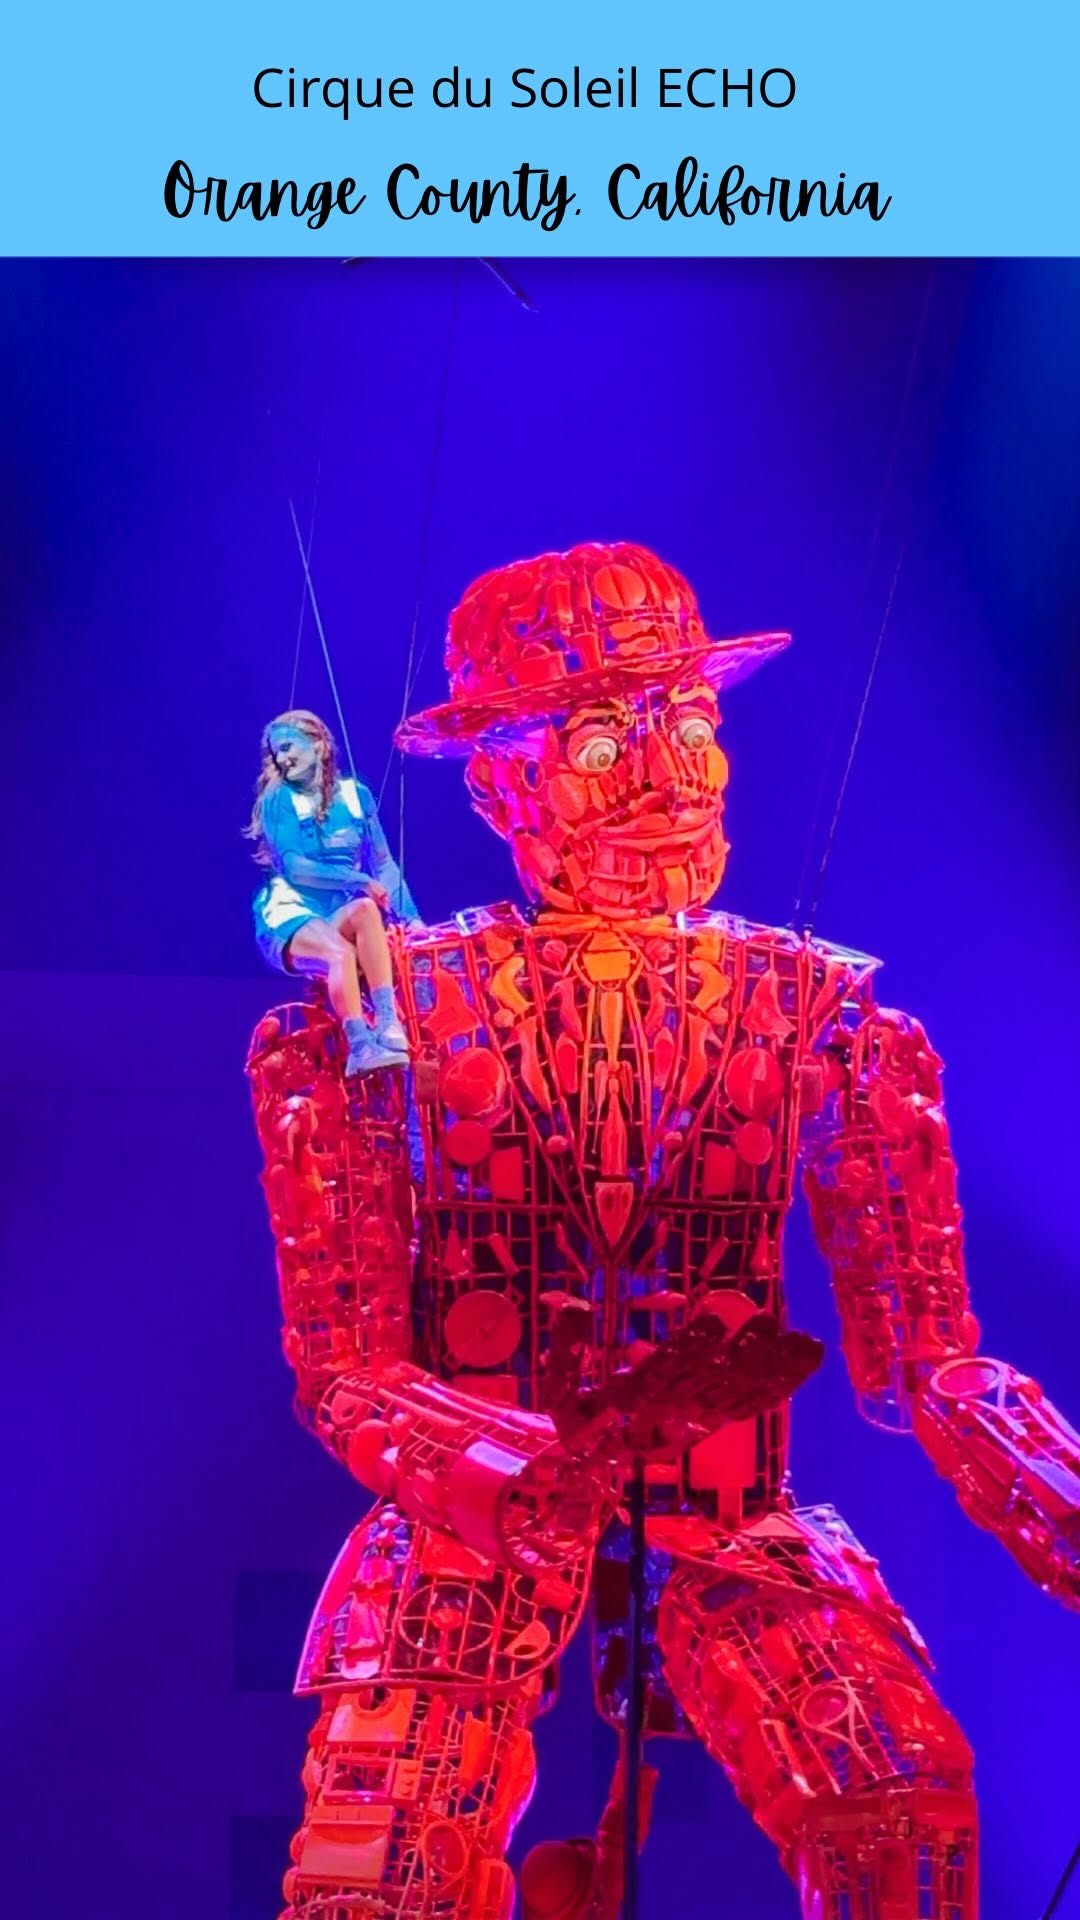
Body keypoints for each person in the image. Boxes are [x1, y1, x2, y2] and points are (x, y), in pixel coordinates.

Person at [246, 708, 420, 1075]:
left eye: (288, 746)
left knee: (366, 911)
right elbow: (295, 868)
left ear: (320, 745)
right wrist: (357, 880)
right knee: (339, 953)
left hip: (336, 910)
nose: (281, 758)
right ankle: (360, 1048)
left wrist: (412, 919)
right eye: (276, 753)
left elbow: (384, 866)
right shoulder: (279, 800)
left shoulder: (357, 797)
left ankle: (387, 1023)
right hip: (291, 909)